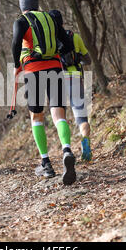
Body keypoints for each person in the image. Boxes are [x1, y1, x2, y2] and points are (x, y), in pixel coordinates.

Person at [11, 0, 76, 185]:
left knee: (36, 116)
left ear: (22, 7)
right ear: (37, 4)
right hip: (55, 68)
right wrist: (57, 52)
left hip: (33, 71)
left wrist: (16, 65)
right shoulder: (51, 18)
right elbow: (67, 43)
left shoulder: (21, 22)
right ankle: (66, 149)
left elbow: (15, 43)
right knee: (58, 114)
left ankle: (46, 163)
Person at [49, 10, 93, 161]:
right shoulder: (74, 37)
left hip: (57, 81)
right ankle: (85, 144)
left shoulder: (48, 41)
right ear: (62, 22)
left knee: (60, 118)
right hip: (75, 78)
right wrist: (77, 58)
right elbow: (88, 60)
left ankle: (67, 150)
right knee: (81, 117)